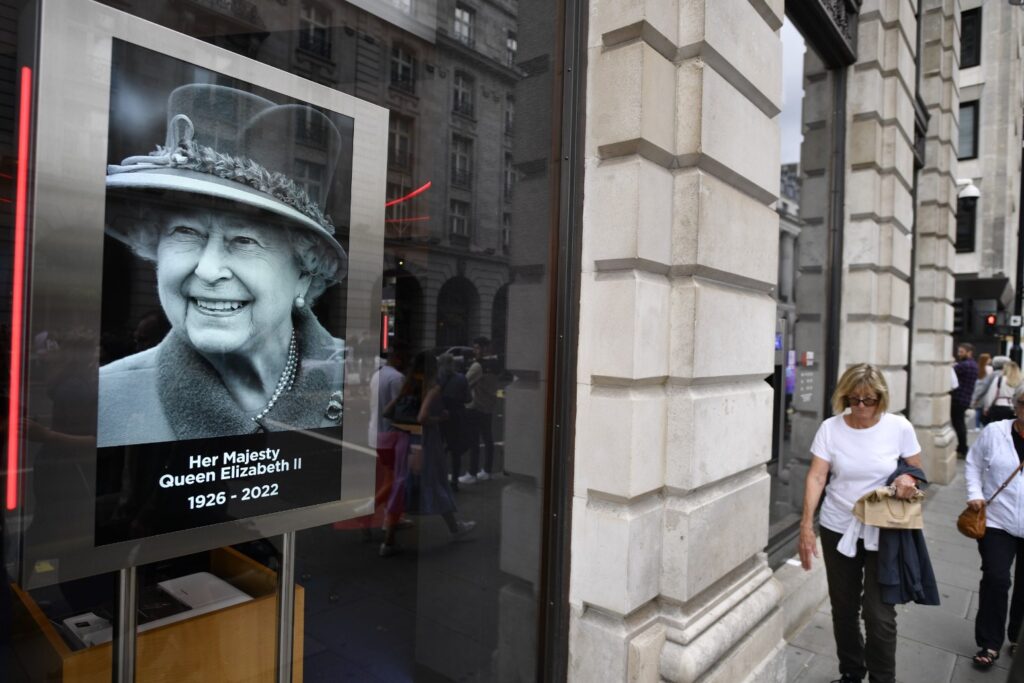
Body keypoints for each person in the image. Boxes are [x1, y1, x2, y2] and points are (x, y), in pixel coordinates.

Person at [97, 84, 348, 446]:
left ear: (304, 276)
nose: (208, 270)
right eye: (186, 232)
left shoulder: (358, 379)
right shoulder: (108, 399)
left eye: (244, 240)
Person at [799, 363, 925, 683]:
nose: (861, 407)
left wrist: (908, 478)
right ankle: (851, 673)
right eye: (853, 399)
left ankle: (883, 679)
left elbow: (917, 471)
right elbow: (817, 476)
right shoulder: (831, 428)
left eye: (869, 400)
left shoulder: (899, 427)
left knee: (879, 615)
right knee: (843, 609)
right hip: (838, 526)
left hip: (885, 529)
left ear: (881, 399)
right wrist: (805, 526)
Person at [381, 352, 473, 556]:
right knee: (436, 482)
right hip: (425, 443)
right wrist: (440, 417)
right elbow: (423, 417)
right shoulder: (433, 388)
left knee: (402, 485)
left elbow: (387, 412)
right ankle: (455, 528)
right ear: (433, 368)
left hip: (403, 441)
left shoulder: (408, 386)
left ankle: (388, 541)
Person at [965, 382, 1024, 668]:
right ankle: (990, 642)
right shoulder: (995, 432)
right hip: (997, 519)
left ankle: (1017, 638)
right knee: (996, 578)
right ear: (1016, 404)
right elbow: (973, 464)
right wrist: (975, 494)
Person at [460, 337, 499, 483]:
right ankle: (487, 470)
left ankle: (472, 473)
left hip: (475, 406)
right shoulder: (495, 364)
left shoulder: (478, 366)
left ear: (485, 349)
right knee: (488, 439)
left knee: (474, 441)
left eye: (477, 348)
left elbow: (464, 382)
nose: (474, 351)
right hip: (488, 406)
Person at [952, 343, 980, 457]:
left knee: (958, 424)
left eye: (961, 352)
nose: (959, 354)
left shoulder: (965, 365)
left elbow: (950, 370)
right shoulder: (973, 365)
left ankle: (962, 448)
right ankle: (962, 448)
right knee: (960, 424)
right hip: (965, 398)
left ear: (969, 352)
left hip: (958, 398)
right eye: (959, 351)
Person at [980, 361, 1023, 426]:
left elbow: (991, 394)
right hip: (1014, 408)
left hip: (1000, 407)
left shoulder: (1000, 379)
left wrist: (986, 407)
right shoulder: (1020, 381)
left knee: (998, 428)